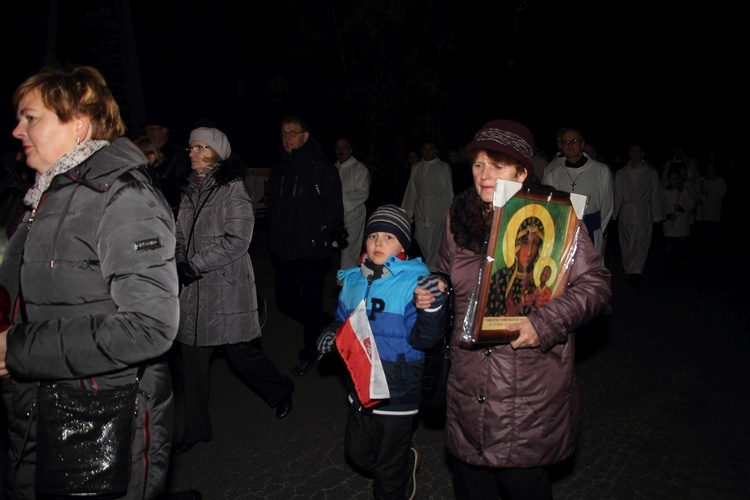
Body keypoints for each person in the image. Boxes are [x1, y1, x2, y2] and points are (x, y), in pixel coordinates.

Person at [0, 64, 179, 499]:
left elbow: (149, 326)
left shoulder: (122, 197)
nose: (16, 130)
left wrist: (18, 349)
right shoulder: (44, 199)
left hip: (98, 424)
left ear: (78, 125)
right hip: (38, 413)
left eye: (31, 117)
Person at [430, 119, 611, 499]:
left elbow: (596, 286)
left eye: (496, 165)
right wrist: (434, 288)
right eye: (478, 164)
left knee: (521, 483)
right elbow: (442, 271)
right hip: (468, 381)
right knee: (471, 484)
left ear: (522, 171)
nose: (484, 175)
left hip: (526, 387)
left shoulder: (558, 218)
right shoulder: (457, 218)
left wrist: (543, 323)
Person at [171, 127, 295, 455]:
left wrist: (194, 265)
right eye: (191, 147)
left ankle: (280, 389)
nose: (192, 152)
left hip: (223, 285)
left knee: (241, 355)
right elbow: (179, 233)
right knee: (192, 360)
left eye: (200, 147)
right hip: (193, 290)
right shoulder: (188, 189)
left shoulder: (232, 187)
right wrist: (181, 259)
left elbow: (238, 239)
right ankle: (196, 429)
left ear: (216, 152)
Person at [316, 204, 447, 500]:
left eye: (389, 237)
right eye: (373, 235)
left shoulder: (413, 282)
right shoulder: (352, 279)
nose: (378, 242)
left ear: (402, 245)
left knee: (387, 470)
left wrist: (433, 308)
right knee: (357, 452)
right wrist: (330, 333)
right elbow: (341, 319)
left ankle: (395, 477)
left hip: (397, 387)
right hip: (360, 383)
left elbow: (425, 338)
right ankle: (401, 465)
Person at [266, 115, 344, 376]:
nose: (288, 137)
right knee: (285, 300)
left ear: (305, 136)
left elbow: (334, 209)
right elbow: (274, 207)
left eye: (293, 132)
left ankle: (310, 352)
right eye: (284, 132)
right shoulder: (279, 168)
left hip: (312, 249)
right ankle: (323, 322)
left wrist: (315, 234)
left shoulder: (319, 166)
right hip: (285, 247)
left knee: (310, 300)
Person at [542, 127, 613, 263]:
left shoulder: (601, 171)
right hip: (562, 233)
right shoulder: (553, 173)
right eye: (566, 142)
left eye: (574, 141)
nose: (570, 145)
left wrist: (597, 232)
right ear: (561, 146)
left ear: (582, 144)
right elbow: (549, 207)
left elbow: (607, 206)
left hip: (591, 230)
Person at [612, 144, 665, 286]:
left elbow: (655, 194)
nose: (634, 154)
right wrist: (613, 214)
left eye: (637, 151)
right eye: (632, 151)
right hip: (627, 211)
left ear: (642, 153)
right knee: (627, 240)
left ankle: (637, 270)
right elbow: (616, 194)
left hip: (643, 211)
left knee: (642, 240)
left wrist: (657, 215)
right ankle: (629, 267)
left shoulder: (650, 173)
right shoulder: (621, 173)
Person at [401, 140, 454, 271]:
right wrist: (407, 214)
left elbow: (447, 190)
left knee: (435, 242)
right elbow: (411, 191)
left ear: (435, 150)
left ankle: (432, 270)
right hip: (420, 210)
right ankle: (424, 267)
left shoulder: (443, 167)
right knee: (420, 239)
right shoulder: (416, 167)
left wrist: (447, 214)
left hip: (436, 210)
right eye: (424, 148)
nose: (427, 151)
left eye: (430, 148)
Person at [485, 215, 545, 317]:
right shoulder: (500, 278)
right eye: (525, 242)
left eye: (535, 243)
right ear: (517, 244)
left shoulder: (535, 285)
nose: (529, 252)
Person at [334, 137, 370, 271]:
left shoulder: (359, 168)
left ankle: (344, 284)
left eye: (344, 147)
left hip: (354, 214)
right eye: (338, 147)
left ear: (351, 150)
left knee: (349, 250)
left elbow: (363, 192)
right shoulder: (333, 168)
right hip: (335, 213)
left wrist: (338, 199)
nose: (340, 150)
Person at [143, 116, 190, 215]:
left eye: (152, 129)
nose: (148, 133)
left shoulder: (176, 153)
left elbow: (182, 184)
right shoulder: (146, 154)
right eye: (146, 130)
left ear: (164, 131)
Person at [663, 169, 696, 270]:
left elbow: (692, 203)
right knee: (669, 245)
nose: (674, 181)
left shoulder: (684, 191)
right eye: (672, 178)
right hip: (669, 223)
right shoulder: (665, 192)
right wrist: (667, 215)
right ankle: (669, 263)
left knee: (681, 244)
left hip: (681, 222)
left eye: (676, 178)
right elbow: (661, 206)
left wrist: (682, 208)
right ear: (668, 179)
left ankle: (680, 260)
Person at [694, 161, 726, 256]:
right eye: (707, 167)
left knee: (711, 234)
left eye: (710, 167)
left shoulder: (720, 181)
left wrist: (709, 193)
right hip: (701, 213)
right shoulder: (701, 180)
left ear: (715, 169)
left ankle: (711, 253)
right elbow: (695, 192)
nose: (708, 169)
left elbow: (720, 195)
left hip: (712, 212)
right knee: (701, 232)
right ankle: (700, 252)